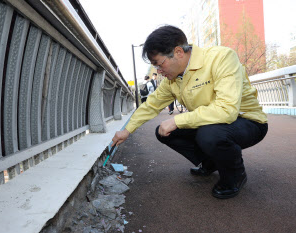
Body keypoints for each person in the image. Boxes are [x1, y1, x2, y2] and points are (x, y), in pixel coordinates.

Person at [112, 25, 268, 199]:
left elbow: (227, 110)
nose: (158, 71)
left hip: (248, 121)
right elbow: (151, 105)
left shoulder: (221, 57)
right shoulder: (173, 79)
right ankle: (212, 161)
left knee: (209, 134)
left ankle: (235, 176)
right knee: (164, 132)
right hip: (212, 123)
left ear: (178, 52)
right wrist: (127, 130)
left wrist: (177, 120)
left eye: (159, 64)